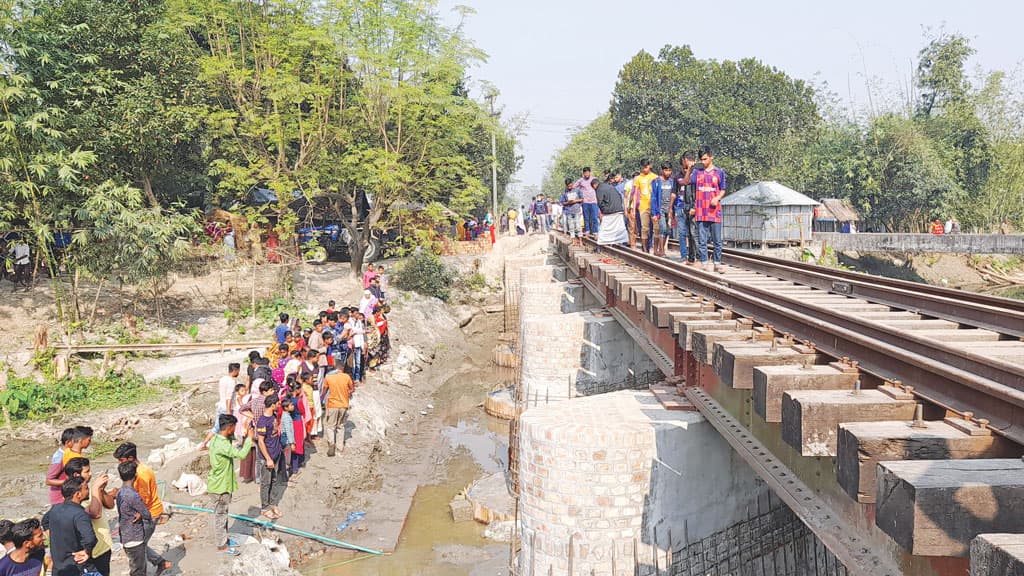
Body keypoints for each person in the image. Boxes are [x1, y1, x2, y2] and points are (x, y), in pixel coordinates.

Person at [113, 444, 172, 574]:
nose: (119, 464)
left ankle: (157, 563)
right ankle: (160, 562)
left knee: (138, 546)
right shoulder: (138, 471)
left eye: (121, 460)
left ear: (130, 458)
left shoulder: (142, 474)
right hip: (147, 510)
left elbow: (143, 499)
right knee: (139, 545)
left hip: (149, 513)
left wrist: (137, 513)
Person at [207, 414, 254, 556]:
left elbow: (233, 438)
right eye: (234, 427)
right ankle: (222, 546)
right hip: (220, 487)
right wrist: (250, 438)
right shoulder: (222, 444)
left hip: (220, 484)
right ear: (228, 428)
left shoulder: (218, 438)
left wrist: (245, 430)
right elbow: (241, 454)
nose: (235, 430)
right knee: (220, 516)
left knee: (224, 514)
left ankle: (225, 539)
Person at [62, 458, 115, 576]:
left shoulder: (88, 490)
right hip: (89, 552)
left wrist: (101, 489)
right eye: (87, 471)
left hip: (103, 547)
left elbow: (110, 505)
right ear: (76, 474)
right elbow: (95, 514)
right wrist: (96, 488)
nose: (90, 474)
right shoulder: (75, 495)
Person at [43, 477, 97, 576]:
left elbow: (45, 521)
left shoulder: (56, 508)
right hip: (76, 566)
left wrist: (54, 537)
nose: (88, 490)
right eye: (86, 488)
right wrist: (86, 551)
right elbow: (90, 539)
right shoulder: (80, 514)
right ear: (78, 494)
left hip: (59, 567)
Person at [691, 147, 727, 272]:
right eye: (701, 159)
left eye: (705, 159)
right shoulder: (697, 173)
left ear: (711, 157)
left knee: (717, 239)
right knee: (702, 239)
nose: (703, 162)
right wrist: (690, 168)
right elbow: (685, 182)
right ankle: (704, 262)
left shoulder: (719, 172)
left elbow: (723, 189)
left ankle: (717, 263)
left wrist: (717, 198)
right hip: (701, 210)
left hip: (714, 210)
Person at [255, 395, 285, 520]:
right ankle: (265, 507)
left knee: (274, 480)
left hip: (276, 452)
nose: (279, 405)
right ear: (272, 405)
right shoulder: (262, 421)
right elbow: (261, 442)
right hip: (267, 457)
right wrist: (268, 458)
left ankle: (273, 503)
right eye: (277, 403)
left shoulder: (273, 416)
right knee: (265, 482)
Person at [321, 367, 355, 457]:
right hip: (343, 405)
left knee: (330, 426)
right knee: (340, 426)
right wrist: (347, 393)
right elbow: (352, 389)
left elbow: (324, 391)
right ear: (342, 369)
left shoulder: (328, 378)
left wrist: (322, 399)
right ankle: (340, 447)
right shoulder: (347, 377)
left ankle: (331, 444)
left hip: (332, 405)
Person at [673, 152, 698, 264]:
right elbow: (674, 192)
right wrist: (671, 209)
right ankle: (684, 255)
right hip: (680, 206)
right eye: (684, 168)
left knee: (693, 232)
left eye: (686, 167)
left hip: (692, 206)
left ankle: (696, 256)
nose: (685, 169)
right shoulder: (677, 176)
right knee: (682, 233)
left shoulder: (696, 174)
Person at [649, 163, 676, 257]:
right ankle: (662, 250)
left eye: (669, 170)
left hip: (669, 210)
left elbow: (674, 195)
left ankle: (661, 249)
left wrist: (673, 210)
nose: (667, 172)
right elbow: (653, 198)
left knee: (668, 230)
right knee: (662, 228)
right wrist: (653, 213)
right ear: (662, 170)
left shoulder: (672, 182)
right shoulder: (656, 181)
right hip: (659, 209)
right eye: (665, 170)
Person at [633, 160, 658, 253]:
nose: (644, 169)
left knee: (656, 228)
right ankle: (645, 250)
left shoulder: (655, 177)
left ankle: (655, 249)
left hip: (654, 206)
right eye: (643, 167)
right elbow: (635, 193)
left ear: (650, 166)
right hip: (643, 206)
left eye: (646, 167)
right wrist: (633, 208)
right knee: (644, 228)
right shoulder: (638, 178)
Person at [46, 428, 76, 505]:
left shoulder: (69, 454)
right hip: (60, 498)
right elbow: (49, 481)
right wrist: (69, 482)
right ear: (68, 442)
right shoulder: (59, 458)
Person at [594, 178, 629, 246]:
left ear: (594, 185)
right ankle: (623, 240)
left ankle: (602, 241)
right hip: (618, 209)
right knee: (620, 227)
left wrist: (603, 211)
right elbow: (619, 196)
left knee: (605, 228)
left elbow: (600, 202)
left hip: (609, 211)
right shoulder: (611, 186)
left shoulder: (599, 189)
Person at [574, 168, 600, 237]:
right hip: (585, 202)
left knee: (594, 217)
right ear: (583, 173)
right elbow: (574, 187)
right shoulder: (581, 180)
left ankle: (595, 232)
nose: (586, 174)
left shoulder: (594, 179)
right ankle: (587, 231)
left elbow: (599, 187)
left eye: (587, 173)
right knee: (586, 217)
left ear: (590, 172)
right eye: (585, 173)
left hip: (594, 201)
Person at [560, 178, 584, 246]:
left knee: (578, 226)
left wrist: (575, 201)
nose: (569, 187)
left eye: (570, 185)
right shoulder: (564, 192)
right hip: (569, 211)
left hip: (576, 210)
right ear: (566, 185)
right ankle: (573, 241)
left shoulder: (577, 190)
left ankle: (580, 241)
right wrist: (568, 202)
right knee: (571, 227)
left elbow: (582, 199)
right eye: (568, 186)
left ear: (572, 184)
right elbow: (562, 202)